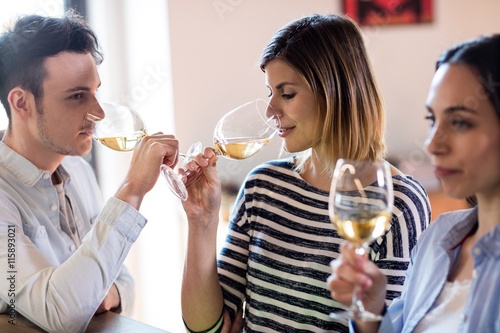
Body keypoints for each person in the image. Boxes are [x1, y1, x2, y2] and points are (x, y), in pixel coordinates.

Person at [180, 14, 431, 332]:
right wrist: (201, 221)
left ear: (335, 91)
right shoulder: (264, 185)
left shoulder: (398, 203)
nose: (271, 111)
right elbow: (208, 327)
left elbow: (391, 327)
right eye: (270, 93)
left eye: (286, 94)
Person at [0, 11, 179, 332]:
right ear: (21, 103)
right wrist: (133, 188)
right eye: (77, 96)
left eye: (95, 92)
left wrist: (94, 293)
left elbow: (123, 281)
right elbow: (63, 315)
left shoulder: (79, 171)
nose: (97, 113)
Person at [327, 34, 500, 333]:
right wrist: (371, 313)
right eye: (432, 119)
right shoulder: (438, 238)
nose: (432, 144)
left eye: (459, 121)